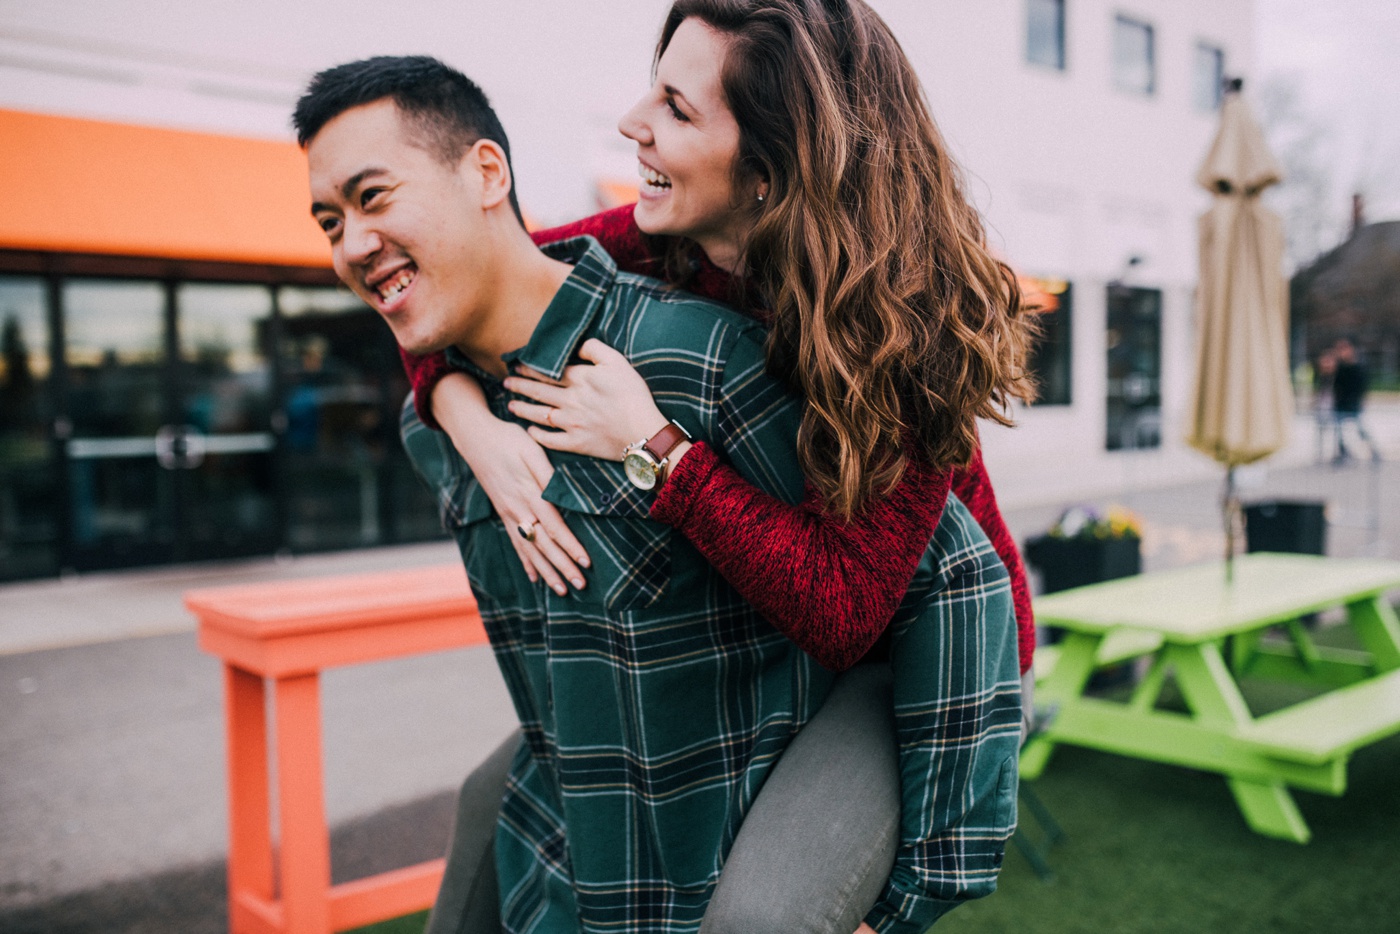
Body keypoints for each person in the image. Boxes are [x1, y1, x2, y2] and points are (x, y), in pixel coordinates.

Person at [296, 44, 1020, 934]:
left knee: (762, 917)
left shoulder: (880, 343)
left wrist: (659, 450)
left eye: (676, 108)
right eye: (328, 221)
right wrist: (463, 414)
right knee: (490, 802)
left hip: (908, 642)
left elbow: (894, 596)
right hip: (642, 765)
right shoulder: (645, 243)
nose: (634, 123)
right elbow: (470, 273)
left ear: (765, 164)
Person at [1332, 338, 1381, 464]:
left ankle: (1374, 450)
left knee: (1361, 429)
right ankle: (1343, 453)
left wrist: (1360, 400)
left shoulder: (1358, 366)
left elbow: (1362, 386)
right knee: (1339, 431)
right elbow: (1336, 386)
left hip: (1353, 403)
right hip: (1341, 404)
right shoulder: (1340, 367)